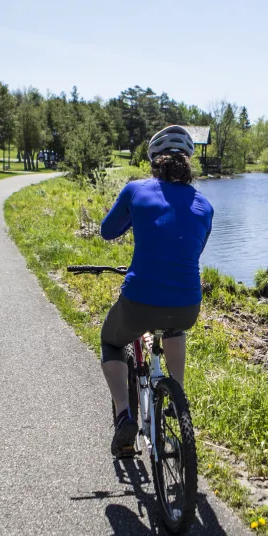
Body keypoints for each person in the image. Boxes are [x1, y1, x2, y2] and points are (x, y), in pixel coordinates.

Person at [98, 125, 213, 457]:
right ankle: (176, 400)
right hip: (187, 304)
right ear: (188, 162)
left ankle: (124, 414)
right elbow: (194, 251)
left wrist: (136, 218)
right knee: (174, 327)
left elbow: (107, 231)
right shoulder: (205, 205)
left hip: (139, 301)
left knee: (111, 340)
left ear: (153, 161)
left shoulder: (136, 190)